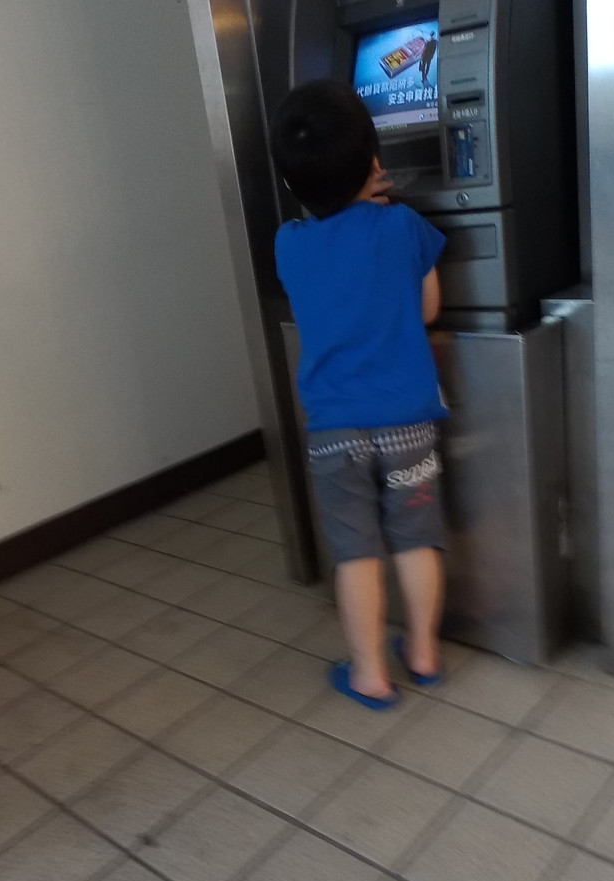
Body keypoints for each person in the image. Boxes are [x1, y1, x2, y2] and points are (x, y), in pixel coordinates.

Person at [269, 79, 447, 710]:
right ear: (374, 161)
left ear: (291, 180)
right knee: (416, 540)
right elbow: (427, 309)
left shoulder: (288, 243)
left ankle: (369, 673)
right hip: (407, 422)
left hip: (334, 430)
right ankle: (423, 653)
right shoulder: (402, 226)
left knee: (356, 553)